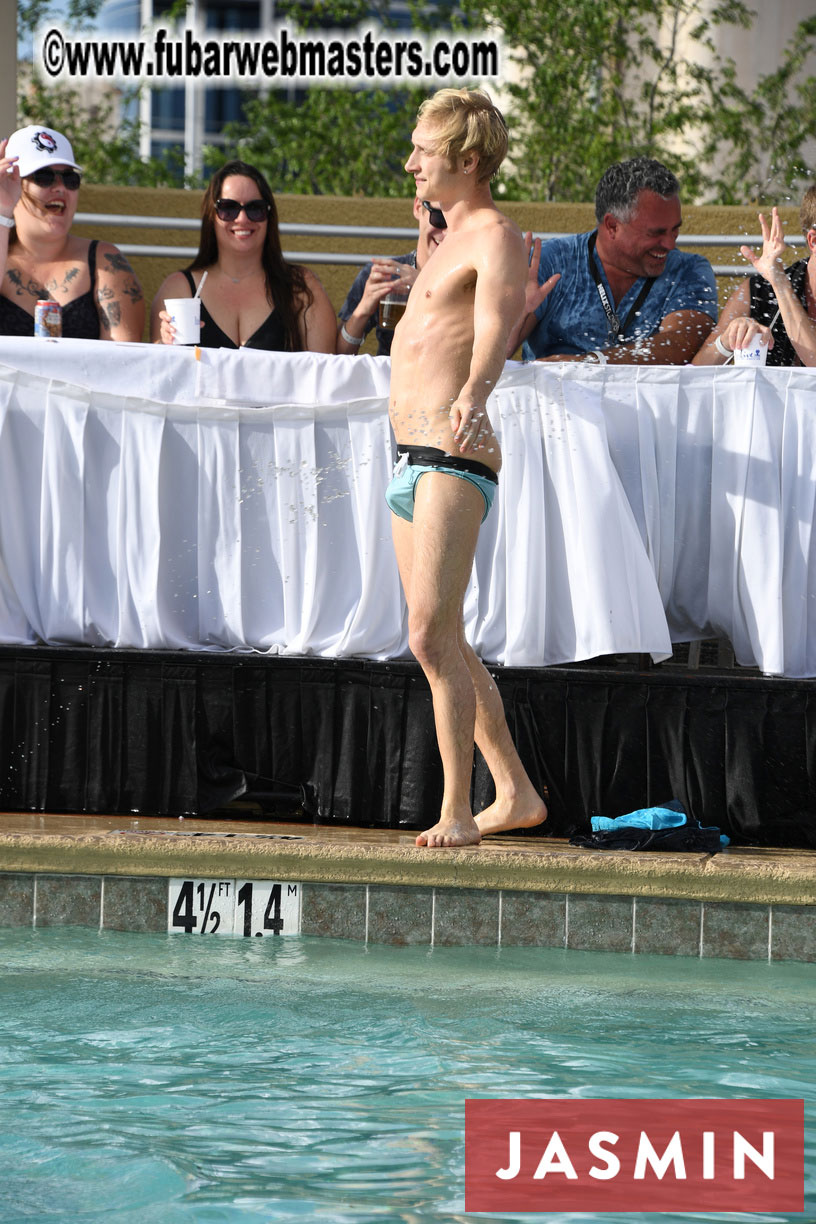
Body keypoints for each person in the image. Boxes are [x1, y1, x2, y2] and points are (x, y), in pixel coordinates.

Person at [388, 87, 548, 849]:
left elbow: (495, 327)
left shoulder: (494, 233)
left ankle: (457, 808)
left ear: (470, 160)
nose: (410, 161)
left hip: (454, 446)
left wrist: (478, 393)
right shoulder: (447, 238)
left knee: (429, 635)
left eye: (424, 148)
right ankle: (513, 790)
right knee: (441, 635)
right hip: (408, 455)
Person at [511, 157, 718, 364]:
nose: (670, 244)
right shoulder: (550, 261)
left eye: (675, 230)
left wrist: (589, 363)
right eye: (656, 233)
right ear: (612, 226)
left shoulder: (689, 269)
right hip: (553, 395)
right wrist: (517, 314)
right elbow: (496, 353)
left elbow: (681, 346)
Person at [152, 159, 335, 351]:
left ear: (269, 216)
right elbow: (161, 372)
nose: (242, 219)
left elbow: (323, 370)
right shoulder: (179, 288)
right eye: (228, 208)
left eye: (255, 208)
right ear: (211, 216)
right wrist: (164, 344)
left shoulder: (301, 288)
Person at [0, 125, 144, 340]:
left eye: (70, 179)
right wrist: (2, 210)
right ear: (12, 183)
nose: (60, 188)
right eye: (44, 177)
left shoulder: (104, 261)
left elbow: (124, 360)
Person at [692, 191, 816, 367]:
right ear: (813, 241)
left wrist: (780, 284)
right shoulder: (758, 293)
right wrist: (727, 342)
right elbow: (696, 370)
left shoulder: (778, 283)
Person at [336, 195, 447, 355]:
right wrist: (363, 311)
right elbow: (338, 357)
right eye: (439, 217)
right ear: (418, 207)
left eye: (459, 223)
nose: (448, 232)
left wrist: (425, 285)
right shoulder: (385, 275)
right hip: (389, 378)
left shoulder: (474, 280)